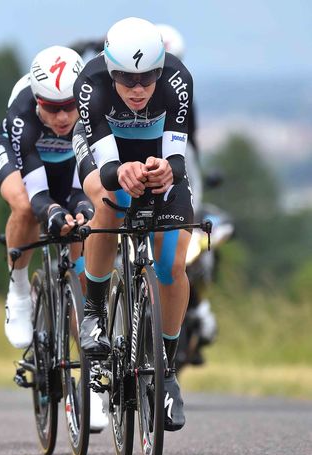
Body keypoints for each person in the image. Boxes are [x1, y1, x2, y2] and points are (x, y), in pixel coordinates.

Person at [72, 17, 194, 431]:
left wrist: (165, 170)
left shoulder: (178, 79)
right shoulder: (90, 84)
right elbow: (107, 169)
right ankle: (94, 311)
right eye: (126, 78)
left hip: (156, 150)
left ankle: (168, 370)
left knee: (172, 265)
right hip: (106, 153)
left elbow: (178, 158)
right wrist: (120, 172)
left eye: (147, 78)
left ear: (161, 69)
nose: (138, 88)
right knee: (108, 203)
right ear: (110, 69)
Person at [0, 45, 107, 431]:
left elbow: (83, 186)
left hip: (68, 164)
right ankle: (19, 291)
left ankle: (92, 384)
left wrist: (81, 213)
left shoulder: (91, 107)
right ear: (37, 100)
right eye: (50, 107)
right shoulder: (23, 111)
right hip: (23, 159)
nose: (61, 116)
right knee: (24, 209)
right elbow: (40, 195)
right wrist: (52, 213)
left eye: (68, 106)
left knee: (82, 257)